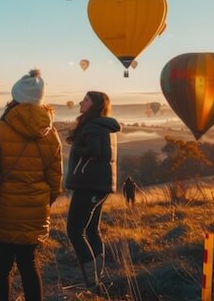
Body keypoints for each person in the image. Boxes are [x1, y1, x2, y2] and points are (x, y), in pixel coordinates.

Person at [0, 69, 63, 301]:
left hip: (2, 208)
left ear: (14, 96)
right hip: (35, 210)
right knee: (29, 264)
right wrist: (41, 201)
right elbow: (55, 182)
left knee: (1, 267)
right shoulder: (51, 134)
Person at [64, 91, 121, 290]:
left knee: (74, 231)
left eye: (86, 100)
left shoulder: (93, 126)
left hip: (88, 185)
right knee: (91, 230)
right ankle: (97, 280)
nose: (81, 101)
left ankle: (92, 283)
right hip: (99, 185)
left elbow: (95, 151)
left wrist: (78, 148)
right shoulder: (104, 125)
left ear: (95, 105)